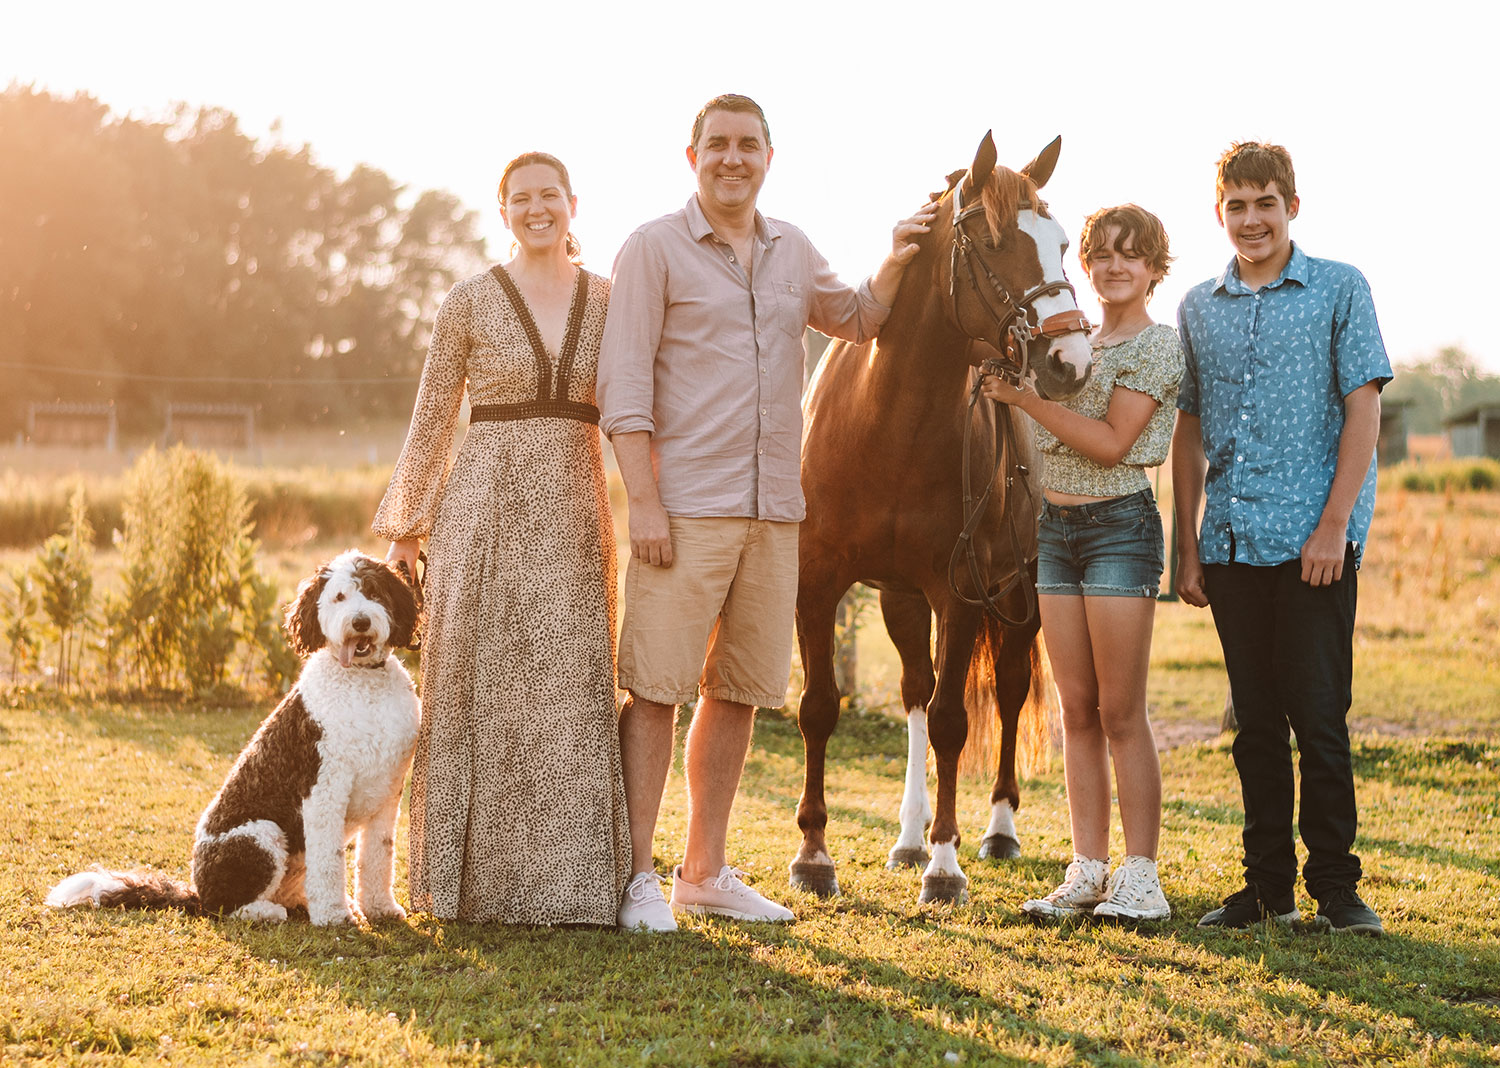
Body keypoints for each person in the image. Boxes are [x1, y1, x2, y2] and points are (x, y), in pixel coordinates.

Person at [598, 94, 936, 931]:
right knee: (656, 690)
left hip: (776, 510)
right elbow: (624, 388)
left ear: (769, 156)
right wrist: (643, 500)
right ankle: (639, 877)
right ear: (692, 157)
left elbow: (855, 320)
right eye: (717, 145)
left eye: (748, 145)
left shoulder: (793, 250)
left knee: (739, 689)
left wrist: (893, 260)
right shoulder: (653, 248)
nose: (733, 159)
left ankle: (703, 871)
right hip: (683, 510)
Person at [372, 152, 630, 925]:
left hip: (577, 514)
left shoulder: (613, 301)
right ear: (504, 210)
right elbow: (430, 421)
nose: (538, 208)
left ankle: (574, 890)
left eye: (550, 195)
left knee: (569, 692)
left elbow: (641, 405)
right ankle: (470, 889)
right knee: (478, 691)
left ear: (573, 205)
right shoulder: (468, 302)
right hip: (481, 512)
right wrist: (407, 534)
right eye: (522, 198)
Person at [1172, 142, 1391, 936]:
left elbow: (1363, 409)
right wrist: (1187, 543)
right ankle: (1265, 888)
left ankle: (1337, 888)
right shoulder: (1198, 307)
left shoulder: (1339, 287)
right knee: (1255, 727)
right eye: (1236, 204)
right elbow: (1188, 428)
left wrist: (1334, 526)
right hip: (1230, 545)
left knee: (1321, 720)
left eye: (1265, 203)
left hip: (1313, 548)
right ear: (1220, 213)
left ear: (1291, 206)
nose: (1251, 219)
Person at [982, 204, 1183, 922]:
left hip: (1119, 529)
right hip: (1056, 529)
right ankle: (1088, 869)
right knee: (1077, 712)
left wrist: (1026, 401)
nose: (1113, 267)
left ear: (1155, 269)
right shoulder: (1075, 344)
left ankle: (1141, 877)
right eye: (1100, 255)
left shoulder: (1157, 348)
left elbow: (1109, 443)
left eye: (1131, 256)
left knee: (1121, 711)